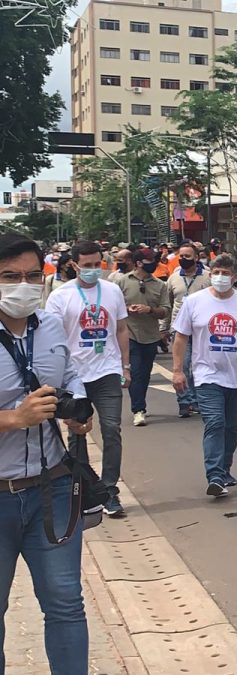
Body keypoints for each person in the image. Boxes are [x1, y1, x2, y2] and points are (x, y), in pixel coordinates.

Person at [0, 233, 94, 672]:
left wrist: (77, 407)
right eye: (10, 276)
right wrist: (13, 419)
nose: (24, 284)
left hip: (50, 488)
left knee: (65, 604)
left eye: (33, 275)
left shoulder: (49, 323)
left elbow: (69, 375)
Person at [172, 254, 237, 498]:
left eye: (226, 273)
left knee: (232, 428)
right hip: (207, 375)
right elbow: (180, 338)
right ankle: (215, 475)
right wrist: (178, 370)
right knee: (215, 423)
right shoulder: (194, 302)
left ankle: (225, 468)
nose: (220, 277)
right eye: (216, 272)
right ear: (210, 274)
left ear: (234, 276)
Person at [44, 240, 131, 518]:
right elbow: (54, 339)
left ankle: (109, 490)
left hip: (107, 372)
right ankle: (82, 489)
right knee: (77, 433)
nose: (94, 270)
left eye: (98, 264)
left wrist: (124, 366)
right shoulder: (60, 297)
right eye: (88, 265)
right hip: (75, 375)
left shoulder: (113, 291)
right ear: (74, 265)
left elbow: (120, 330)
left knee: (111, 429)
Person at [114, 248, 168, 427]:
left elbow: (165, 310)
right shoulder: (121, 282)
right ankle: (138, 409)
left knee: (144, 375)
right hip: (129, 334)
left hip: (151, 336)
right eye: (149, 261)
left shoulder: (160, 285)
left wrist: (150, 310)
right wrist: (127, 309)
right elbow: (113, 306)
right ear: (138, 263)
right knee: (135, 373)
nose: (153, 264)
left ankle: (140, 403)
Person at [165, 243, 211, 418]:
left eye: (187, 256)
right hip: (180, 330)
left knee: (198, 367)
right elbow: (169, 304)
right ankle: (184, 401)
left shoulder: (207, 277)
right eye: (181, 256)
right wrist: (165, 328)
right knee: (182, 366)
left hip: (202, 329)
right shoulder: (174, 278)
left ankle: (197, 400)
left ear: (197, 258)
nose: (183, 259)